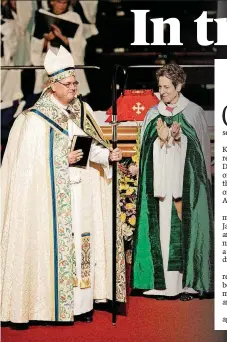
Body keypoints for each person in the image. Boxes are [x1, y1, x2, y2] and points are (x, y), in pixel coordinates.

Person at [1, 45, 125, 325]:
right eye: (68, 84)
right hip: (49, 204)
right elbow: (26, 169)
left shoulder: (76, 112)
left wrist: (107, 155)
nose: (73, 88)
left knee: (82, 245)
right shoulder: (33, 120)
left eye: (75, 83)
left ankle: (80, 306)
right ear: (52, 85)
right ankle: (50, 307)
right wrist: (61, 159)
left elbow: (87, 147)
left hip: (78, 195)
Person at [131, 63, 213, 300]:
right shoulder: (152, 113)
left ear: (179, 86)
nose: (162, 92)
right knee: (161, 228)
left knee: (183, 227)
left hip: (184, 186)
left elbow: (200, 153)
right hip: (160, 186)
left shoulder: (194, 112)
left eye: (167, 87)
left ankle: (187, 283)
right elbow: (144, 150)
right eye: (159, 87)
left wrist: (179, 138)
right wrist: (159, 139)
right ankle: (160, 283)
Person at [31, 0, 97, 98]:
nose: (62, 6)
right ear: (52, 2)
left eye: (65, 3)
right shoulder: (43, 15)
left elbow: (79, 44)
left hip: (68, 60)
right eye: (59, 2)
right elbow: (35, 45)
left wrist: (61, 36)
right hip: (51, 59)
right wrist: (46, 39)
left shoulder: (74, 17)